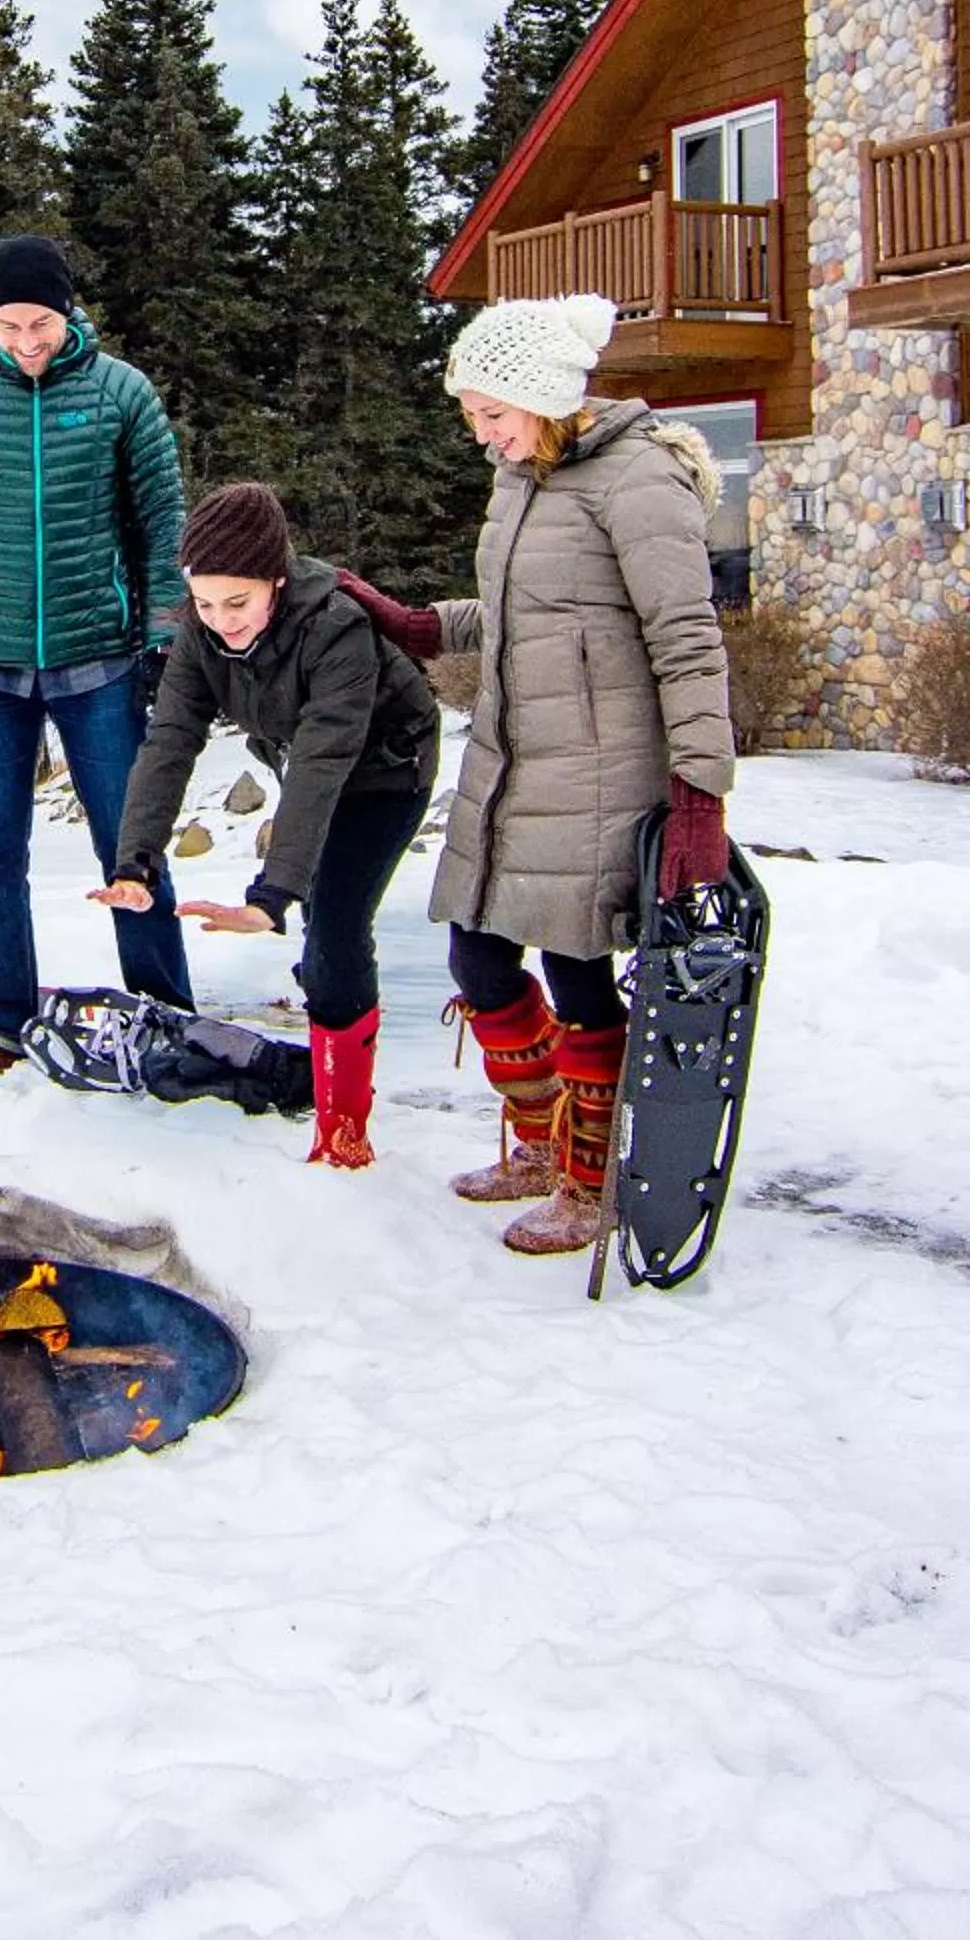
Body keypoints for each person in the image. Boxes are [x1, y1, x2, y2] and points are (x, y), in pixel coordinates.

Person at [365, 292, 734, 1258]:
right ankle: (539, 1141)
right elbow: (523, 613)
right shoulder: (524, 475)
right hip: (515, 760)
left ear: (545, 396)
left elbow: (687, 640)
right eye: (472, 416)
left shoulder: (638, 479)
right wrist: (425, 625)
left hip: (607, 769)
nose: (480, 434)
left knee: (578, 971)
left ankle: (591, 1176)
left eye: (493, 412)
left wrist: (700, 791)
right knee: (479, 959)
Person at [0, 233, 194, 1081]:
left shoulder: (121, 395)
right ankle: (1, 1021)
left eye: (42, 324)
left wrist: (165, 636)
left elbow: (160, 525)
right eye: (10, 324)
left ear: (68, 312)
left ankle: (164, 1013)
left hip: (96, 661)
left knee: (128, 846)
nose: (28, 342)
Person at [94, 481, 439, 1169]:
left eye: (238, 602)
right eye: (204, 601)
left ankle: (343, 1133)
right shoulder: (200, 635)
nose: (221, 619)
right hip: (307, 765)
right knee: (321, 937)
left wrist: (271, 893)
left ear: (275, 581)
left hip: (385, 771)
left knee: (335, 930)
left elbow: (324, 758)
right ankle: (332, 1084)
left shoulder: (335, 625)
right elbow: (170, 743)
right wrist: (136, 860)